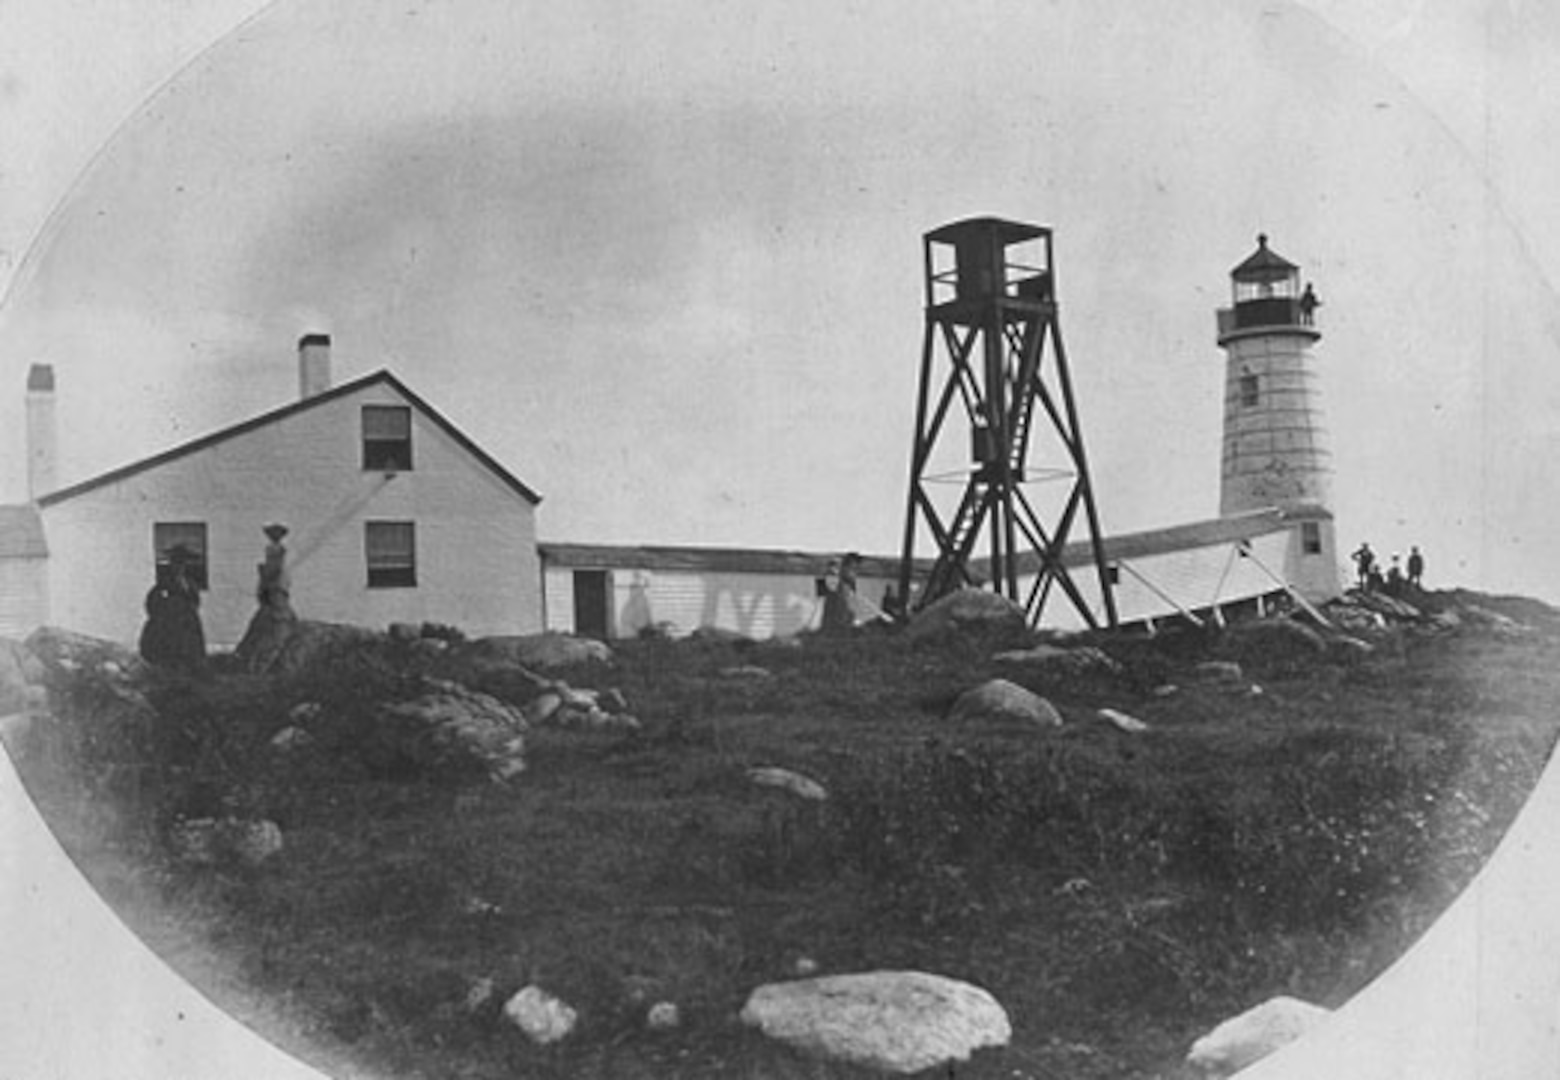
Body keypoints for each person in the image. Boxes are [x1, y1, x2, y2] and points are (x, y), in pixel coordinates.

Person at [139, 545, 206, 672]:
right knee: (170, 655)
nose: (179, 566)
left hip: (188, 625)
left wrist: (190, 611)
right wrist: (162, 615)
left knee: (189, 656)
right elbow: (151, 601)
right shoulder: (164, 582)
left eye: (182, 563)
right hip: (170, 624)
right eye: (177, 562)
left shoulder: (189, 582)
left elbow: (195, 601)